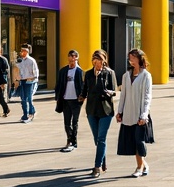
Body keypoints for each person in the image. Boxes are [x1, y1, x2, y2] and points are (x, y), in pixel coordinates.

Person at [116, 48, 153, 177]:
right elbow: (123, 95)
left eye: (132, 57)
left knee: (139, 141)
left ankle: (139, 167)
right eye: (129, 57)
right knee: (133, 141)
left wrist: (144, 114)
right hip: (128, 113)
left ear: (139, 58)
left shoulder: (146, 76)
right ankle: (144, 165)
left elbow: (147, 97)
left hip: (140, 114)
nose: (130, 60)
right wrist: (119, 112)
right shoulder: (126, 76)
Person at [80, 50, 117, 179]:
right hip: (91, 110)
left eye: (99, 59)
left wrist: (108, 92)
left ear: (103, 60)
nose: (96, 62)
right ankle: (103, 162)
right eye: (94, 59)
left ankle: (97, 166)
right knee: (97, 139)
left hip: (105, 110)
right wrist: (81, 97)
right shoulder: (88, 74)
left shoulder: (109, 73)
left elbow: (114, 90)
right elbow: (84, 90)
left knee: (101, 138)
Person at [54, 49, 84, 151]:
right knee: (67, 122)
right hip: (65, 100)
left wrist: (82, 97)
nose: (72, 62)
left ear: (77, 59)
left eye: (74, 60)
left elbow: (83, 86)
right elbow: (58, 85)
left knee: (75, 122)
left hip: (76, 100)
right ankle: (69, 139)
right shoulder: (63, 71)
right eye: (70, 60)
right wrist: (57, 97)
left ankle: (74, 142)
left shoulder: (80, 72)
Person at [16, 43, 39, 122]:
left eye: (23, 51)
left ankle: (30, 113)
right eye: (21, 51)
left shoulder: (31, 60)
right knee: (23, 99)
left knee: (29, 98)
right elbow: (18, 70)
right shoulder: (20, 60)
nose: (21, 52)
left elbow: (35, 72)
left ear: (27, 51)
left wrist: (33, 78)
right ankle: (25, 114)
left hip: (30, 81)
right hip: (22, 81)